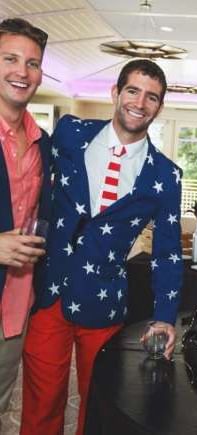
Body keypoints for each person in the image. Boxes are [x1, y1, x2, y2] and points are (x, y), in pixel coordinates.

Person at [20, 59, 183, 435]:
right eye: (133, 90)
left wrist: (165, 315)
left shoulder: (166, 175)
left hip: (105, 302)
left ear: (159, 106)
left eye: (152, 97)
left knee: (99, 409)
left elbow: (167, 251)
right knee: (40, 406)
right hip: (50, 294)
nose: (140, 103)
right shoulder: (70, 132)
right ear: (116, 93)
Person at [0, 17, 50, 430]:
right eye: (10, 58)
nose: (22, 71)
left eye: (32, 63)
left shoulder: (42, 144)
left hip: (16, 309)